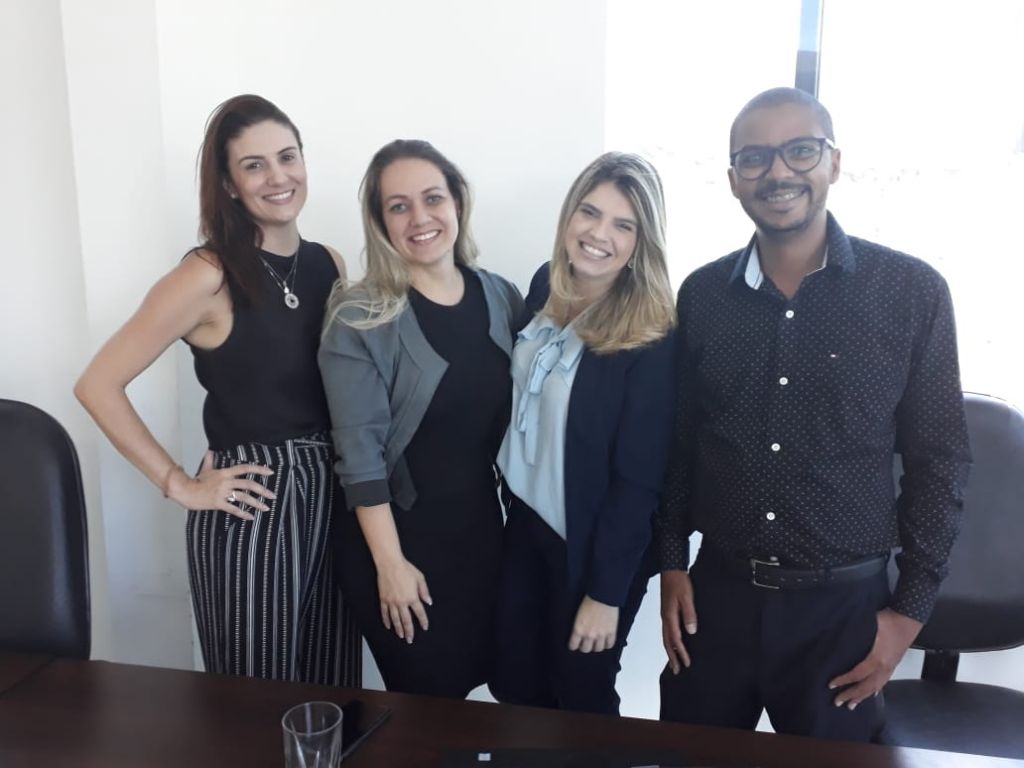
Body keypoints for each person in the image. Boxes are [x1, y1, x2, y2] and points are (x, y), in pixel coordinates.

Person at [655, 87, 971, 740]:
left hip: (842, 614)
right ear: (733, 180)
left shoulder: (910, 292)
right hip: (716, 601)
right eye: (755, 158)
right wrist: (671, 562)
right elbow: (681, 443)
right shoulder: (704, 294)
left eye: (800, 151)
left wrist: (909, 614)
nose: (777, 172)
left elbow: (939, 460)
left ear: (834, 162)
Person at [75, 94, 361, 685]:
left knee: (332, 693)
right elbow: (98, 383)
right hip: (252, 501)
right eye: (254, 165)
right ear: (229, 184)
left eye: (288, 156)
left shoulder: (329, 264)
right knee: (251, 707)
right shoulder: (208, 273)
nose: (278, 177)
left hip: (333, 494)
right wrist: (177, 483)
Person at [318, 139, 523, 698]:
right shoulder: (359, 316)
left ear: (457, 202)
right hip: (399, 547)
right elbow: (358, 458)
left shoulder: (501, 295)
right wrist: (390, 566)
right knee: (429, 717)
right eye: (399, 205)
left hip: (484, 538)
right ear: (381, 222)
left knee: (510, 700)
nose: (420, 217)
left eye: (433, 197)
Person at [489, 152, 676, 715]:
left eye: (624, 225)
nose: (599, 235)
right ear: (569, 215)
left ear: (642, 242)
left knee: (580, 692)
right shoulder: (546, 284)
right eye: (589, 213)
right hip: (527, 521)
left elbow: (640, 481)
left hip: (595, 540)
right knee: (515, 679)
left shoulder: (652, 332)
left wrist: (604, 594)